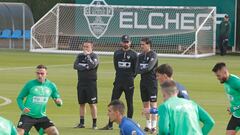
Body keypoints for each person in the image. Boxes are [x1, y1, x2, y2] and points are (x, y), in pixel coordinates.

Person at [100, 35, 138, 130]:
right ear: (121, 42)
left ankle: (129, 125)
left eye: (127, 42)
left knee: (129, 103)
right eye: (124, 42)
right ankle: (110, 125)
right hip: (118, 82)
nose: (125, 43)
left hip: (129, 82)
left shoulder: (134, 54)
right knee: (113, 103)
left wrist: (130, 77)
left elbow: (135, 70)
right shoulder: (117, 53)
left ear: (130, 42)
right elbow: (116, 67)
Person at [16, 64, 63, 135]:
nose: (40, 75)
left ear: (46, 74)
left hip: (41, 117)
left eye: (42, 73)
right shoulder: (30, 84)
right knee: (18, 133)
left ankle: (40, 129)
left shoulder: (51, 85)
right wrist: (23, 108)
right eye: (38, 73)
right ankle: (28, 131)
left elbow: (58, 100)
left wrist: (59, 102)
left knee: (54, 132)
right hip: (28, 116)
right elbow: (19, 98)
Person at [73, 40, 99, 129]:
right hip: (81, 82)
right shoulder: (80, 56)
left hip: (91, 83)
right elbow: (75, 66)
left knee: (92, 103)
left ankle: (94, 124)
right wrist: (85, 67)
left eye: (87, 47)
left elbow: (92, 65)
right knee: (81, 103)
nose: (85, 48)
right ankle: (82, 123)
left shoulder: (94, 56)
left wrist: (87, 56)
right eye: (84, 46)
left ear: (92, 47)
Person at [136, 37, 158, 133]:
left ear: (148, 44)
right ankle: (148, 125)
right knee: (145, 104)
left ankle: (154, 126)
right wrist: (141, 71)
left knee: (153, 104)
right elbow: (136, 69)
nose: (141, 46)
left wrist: (141, 71)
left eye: (143, 44)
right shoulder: (140, 56)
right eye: (141, 44)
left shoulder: (153, 54)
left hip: (152, 82)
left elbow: (149, 67)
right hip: (143, 82)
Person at [212, 62, 240, 135]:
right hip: (236, 115)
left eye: (218, 75)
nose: (217, 78)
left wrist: (234, 108)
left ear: (225, 72)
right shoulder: (225, 81)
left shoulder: (236, 82)